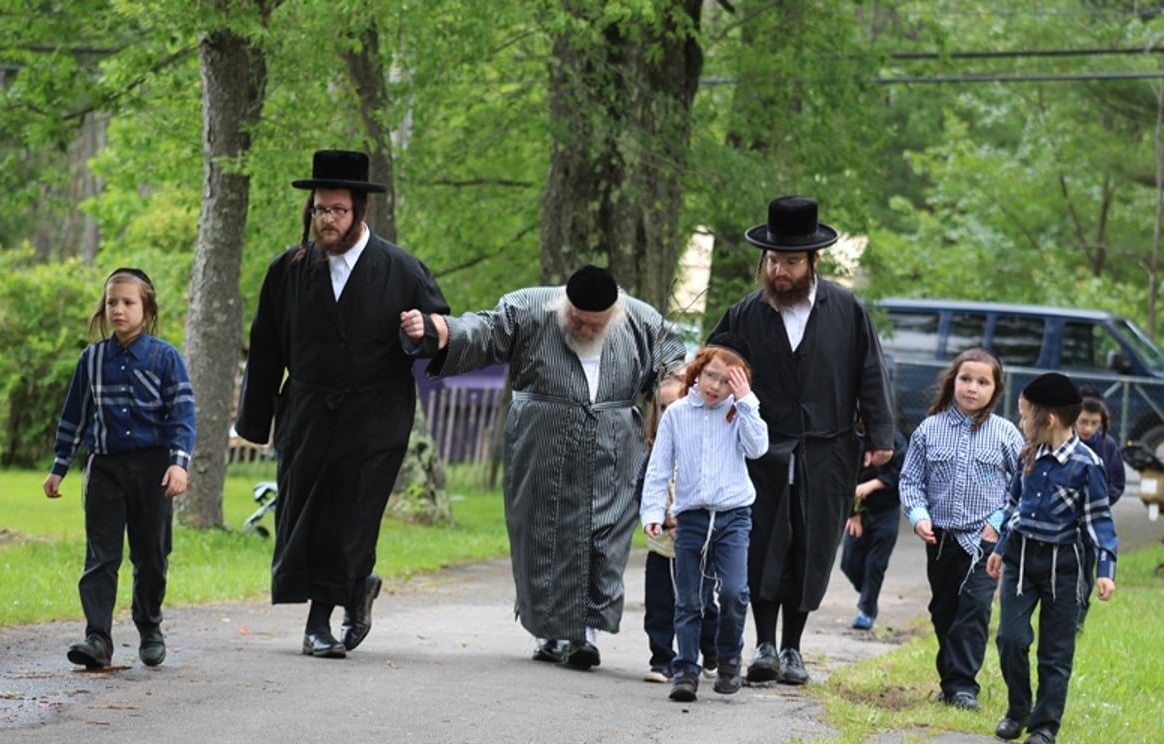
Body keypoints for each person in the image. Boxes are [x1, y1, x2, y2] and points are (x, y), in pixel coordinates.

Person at [400, 264, 685, 669]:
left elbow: (672, 363)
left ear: (613, 315)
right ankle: (551, 633)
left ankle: (583, 635)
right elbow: (485, 330)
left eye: (594, 325)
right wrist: (441, 330)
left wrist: (673, 384)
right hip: (541, 444)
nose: (585, 330)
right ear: (564, 305)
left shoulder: (640, 319)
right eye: (578, 321)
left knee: (602, 537)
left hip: (614, 447)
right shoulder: (530, 308)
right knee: (543, 535)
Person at [236, 149, 450, 659]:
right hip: (308, 411)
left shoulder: (400, 268)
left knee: (351, 518)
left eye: (336, 210)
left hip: (375, 415)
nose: (326, 220)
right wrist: (256, 420)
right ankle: (356, 589)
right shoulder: (287, 269)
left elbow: (440, 328)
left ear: (360, 211)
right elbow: (266, 345)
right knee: (302, 514)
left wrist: (420, 334)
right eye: (319, 209)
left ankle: (319, 622)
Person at [709, 195, 894, 686]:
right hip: (760, 450)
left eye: (791, 262)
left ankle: (794, 647)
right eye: (773, 261)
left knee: (811, 547)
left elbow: (870, 372)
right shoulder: (745, 314)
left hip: (827, 450)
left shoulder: (846, 310)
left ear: (813, 261)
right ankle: (764, 645)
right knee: (763, 544)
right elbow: (710, 369)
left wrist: (880, 433)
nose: (780, 271)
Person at [44, 268, 196, 669]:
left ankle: (149, 626)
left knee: (151, 555)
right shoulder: (91, 360)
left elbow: (183, 416)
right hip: (106, 469)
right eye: (112, 302)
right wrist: (59, 467)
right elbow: (74, 417)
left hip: (153, 470)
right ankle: (97, 638)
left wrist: (179, 465)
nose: (119, 310)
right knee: (100, 556)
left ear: (146, 309)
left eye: (128, 302)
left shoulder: (166, 358)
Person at [987, 372, 1118, 744]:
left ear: (1048, 419)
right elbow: (1014, 506)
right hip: (1022, 558)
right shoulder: (1027, 454)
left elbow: (1100, 523)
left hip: (1066, 566)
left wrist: (1105, 572)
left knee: (1055, 652)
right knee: (1010, 638)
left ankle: (1044, 728)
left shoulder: (1087, 465)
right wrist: (1000, 547)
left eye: (1024, 416)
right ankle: (1017, 709)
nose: (1020, 423)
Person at [640, 334, 769, 701]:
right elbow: (659, 468)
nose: (716, 386)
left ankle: (729, 658)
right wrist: (652, 511)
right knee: (689, 599)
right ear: (697, 372)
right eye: (711, 375)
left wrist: (746, 402)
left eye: (728, 380)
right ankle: (685, 670)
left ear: (739, 383)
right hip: (691, 518)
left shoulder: (739, 413)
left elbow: (758, 449)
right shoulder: (678, 414)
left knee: (733, 592)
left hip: (733, 517)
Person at [899, 348, 1024, 711]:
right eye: (966, 379)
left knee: (974, 608)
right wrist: (918, 514)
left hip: (985, 540)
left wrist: (998, 523)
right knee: (945, 610)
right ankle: (950, 680)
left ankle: (963, 686)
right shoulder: (929, 429)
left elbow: (1022, 485)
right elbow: (910, 480)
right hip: (941, 538)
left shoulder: (1005, 434)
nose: (972, 388)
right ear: (952, 381)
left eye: (982, 382)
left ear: (995, 389)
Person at [637, 367, 719, 684]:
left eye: (677, 405)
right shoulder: (653, 453)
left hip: (697, 545)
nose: (671, 413)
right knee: (659, 606)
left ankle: (710, 651)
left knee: (700, 605)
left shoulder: (703, 451)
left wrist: (686, 517)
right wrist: (658, 516)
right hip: (661, 547)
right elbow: (643, 491)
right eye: (663, 407)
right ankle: (662, 659)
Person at [839, 428, 908, 632]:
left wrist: (874, 484)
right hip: (858, 513)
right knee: (849, 563)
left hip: (886, 511)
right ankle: (869, 592)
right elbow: (842, 478)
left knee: (875, 564)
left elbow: (902, 472)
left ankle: (867, 611)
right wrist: (853, 513)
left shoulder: (894, 439)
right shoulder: (850, 440)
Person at [1074, 387, 1124, 631]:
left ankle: (1078, 620)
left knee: (1086, 571)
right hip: (1066, 522)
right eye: (1083, 422)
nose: (1088, 429)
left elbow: (1117, 484)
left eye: (1094, 423)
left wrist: (1097, 504)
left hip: (1091, 524)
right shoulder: (1065, 443)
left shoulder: (1108, 446)